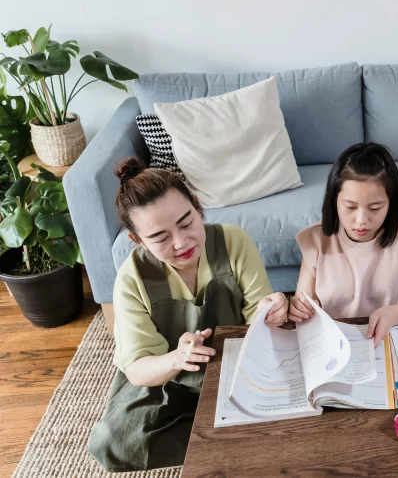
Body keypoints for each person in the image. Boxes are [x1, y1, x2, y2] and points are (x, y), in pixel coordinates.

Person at [88, 158, 288, 471]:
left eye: (186, 223)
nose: (181, 243)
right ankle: (234, 436)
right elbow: (138, 369)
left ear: (197, 207)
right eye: (160, 237)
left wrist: (270, 312)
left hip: (236, 365)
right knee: (114, 442)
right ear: (137, 241)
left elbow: (258, 322)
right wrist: (178, 358)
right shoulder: (132, 278)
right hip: (166, 379)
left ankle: (223, 432)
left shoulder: (233, 241)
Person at [288, 143, 398, 346]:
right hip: (337, 345)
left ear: (391, 203)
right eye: (350, 207)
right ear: (334, 201)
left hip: (392, 340)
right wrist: (299, 309)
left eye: (375, 208)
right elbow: (303, 307)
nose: (361, 220)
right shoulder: (316, 240)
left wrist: (394, 314)